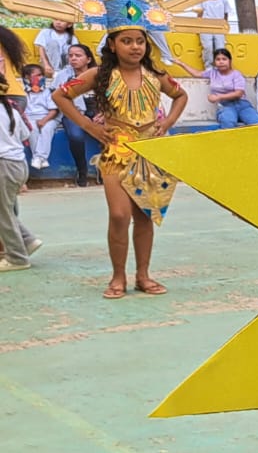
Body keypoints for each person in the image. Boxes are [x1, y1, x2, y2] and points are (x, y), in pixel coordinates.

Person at [51, 19, 188, 297]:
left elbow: (180, 95)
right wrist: (88, 126)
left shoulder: (155, 74)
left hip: (149, 153)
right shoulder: (99, 74)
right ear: (112, 45)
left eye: (139, 41)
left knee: (145, 216)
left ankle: (143, 276)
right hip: (116, 152)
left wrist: (167, 122)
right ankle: (118, 276)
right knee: (119, 215)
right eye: (127, 41)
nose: (135, 47)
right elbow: (61, 95)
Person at [0, 30, 43, 271]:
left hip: (5, 161)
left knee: (3, 208)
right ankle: (23, 240)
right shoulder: (6, 37)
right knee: (4, 203)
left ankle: (15, 252)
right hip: (12, 96)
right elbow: (26, 135)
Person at [171, 47, 258, 128]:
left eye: (224, 59)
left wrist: (218, 97)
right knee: (228, 122)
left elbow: (239, 93)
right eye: (218, 59)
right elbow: (197, 74)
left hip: (242, 105)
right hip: (226, 106)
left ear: (230, 61)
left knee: (257, 122)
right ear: (214, 62)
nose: (221, 62)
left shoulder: (236, 74)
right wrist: (181, 64)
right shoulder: (212, 72)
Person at [52, 42, 98, 186]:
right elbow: (57, 98)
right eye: (70, 56)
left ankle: (105, 167)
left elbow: (109, 97)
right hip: (73, 112)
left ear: (88, 59)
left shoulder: (98, 74)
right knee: (76, 136)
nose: (73, 58)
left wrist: (103, 113)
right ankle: (82, 170)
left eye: (78, 55)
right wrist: (79, 115)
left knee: (112, 132)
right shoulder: (62, 76)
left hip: (97, 111)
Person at [21, 64, 59, 171]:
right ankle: (41, 159)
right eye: (37, 75)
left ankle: (38, 157)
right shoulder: (23, 93)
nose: (40, 77)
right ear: (27, 77)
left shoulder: (47, 92)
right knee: (32, 130)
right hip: (30, 118)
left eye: (41, 75)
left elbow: (54, 111)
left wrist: (44, 120)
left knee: (47, 129)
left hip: (48, 117)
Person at [199, 0, 231, 64]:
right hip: (206, 27)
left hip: (219, 28)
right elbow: (199, 14)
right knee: (208, 47)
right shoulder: (203, 0)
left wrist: (225, 27)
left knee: (220, 48)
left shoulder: (223, 1)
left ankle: (219, 66)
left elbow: (226, 15)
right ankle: (208, 66)